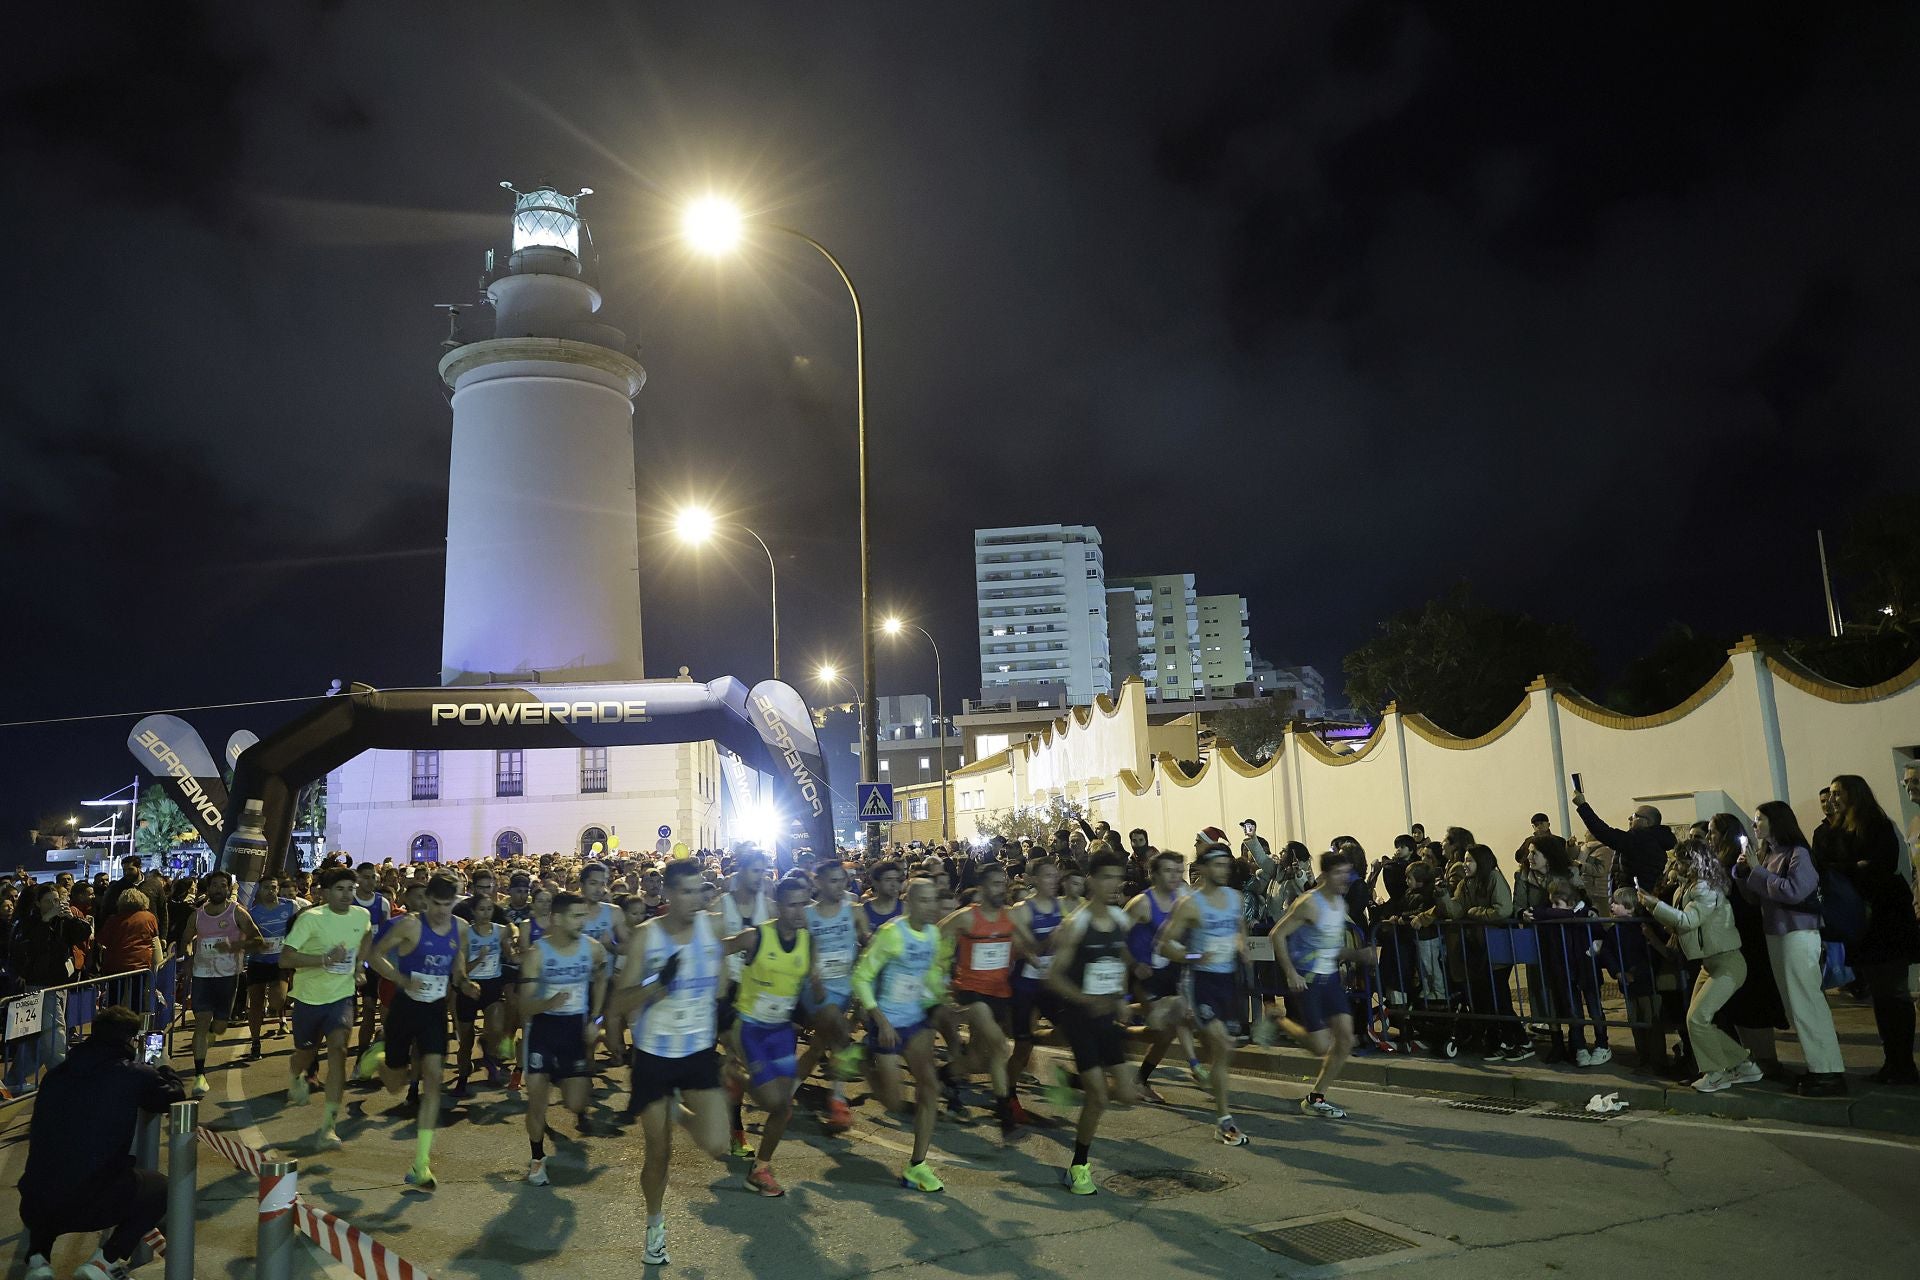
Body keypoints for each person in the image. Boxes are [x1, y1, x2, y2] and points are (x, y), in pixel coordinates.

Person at [608, 862, 740, 1265]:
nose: (694, 899)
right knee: (658, 1153)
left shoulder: (712, 928)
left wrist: (732, 1046)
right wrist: (656, 985)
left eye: (699, 890)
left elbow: (718, 989)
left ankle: (677, 1112)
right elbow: (616, 1004)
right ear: (667, 895)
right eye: (684, 891)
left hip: (698, 1052)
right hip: (655, 1056)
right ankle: (654, 1226)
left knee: (719, 1143)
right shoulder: (646, 938)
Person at [18, 1005, 186, 1280]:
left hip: (33, 1204)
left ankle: (38, 1261)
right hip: (91, 1204)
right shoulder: (132, 1074)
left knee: (52, 1172)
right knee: (161, 1188)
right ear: (130, 1040)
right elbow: (173, 1096)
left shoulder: (55, 1075)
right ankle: (105, 1261)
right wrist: (164, 1065)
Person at [363, 875, 479, 1188]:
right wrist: (400, 979)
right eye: (436, 904)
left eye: (447, 904)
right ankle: (380, 1058)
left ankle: (421, 1163)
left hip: (434, 1010)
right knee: (395, 1085)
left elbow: (457, 961)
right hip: (405, 1006)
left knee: (433, 1080)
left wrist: (465, 982)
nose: (442, 911)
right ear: (426, 900)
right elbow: (373, 955)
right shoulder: (410, 925)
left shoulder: (461, 929)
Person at [1043, 849, 1138, 1194]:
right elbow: (1053, 976)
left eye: (1119, 877)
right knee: (1098, 1097)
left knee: (1127, 1094)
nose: (1116, 884)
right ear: (1092, 881)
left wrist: (1122, 1000)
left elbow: (1118, 963)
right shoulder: (1076, 923)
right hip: (1079, 1016)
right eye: (1109, 877)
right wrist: (1088, 1000)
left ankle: (1071, 1080)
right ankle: (1078, 1166)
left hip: (1108, 1016)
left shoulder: (1120, 920)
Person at [1737, 802, 1847, 1096]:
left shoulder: (1799, 853)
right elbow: (1758, 897)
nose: (1755, 824)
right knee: (1795, 1004)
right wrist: (1743, 873)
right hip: (1777, 933)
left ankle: (1828, 1071)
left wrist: (1758, 871)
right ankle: (1818, 1067)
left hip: (1799, 933)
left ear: (1777, 821)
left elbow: (1795, 891)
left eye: (1760, 819)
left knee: (1807, 1002)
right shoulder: (1770, 854)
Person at [851, 876, 951, 1193]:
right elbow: (862, 978)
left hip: (915, 1021)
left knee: (930, 1088)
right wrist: (880, 1021)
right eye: (923, 900)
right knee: (894, 1102)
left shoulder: (934, 935)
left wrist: (943, 996)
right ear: (909, 903)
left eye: (933, 900)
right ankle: (863, 1062)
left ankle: (917, 1166)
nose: (930, 906)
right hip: (887, 1023)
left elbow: (929, 975)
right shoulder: (892, 934)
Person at [726, 872, 823, 1196]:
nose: (799, 911)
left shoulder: (809, 941)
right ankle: (729, 1072)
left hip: (781, 1031)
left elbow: (812, 983)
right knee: (771, 1103)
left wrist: (820, 995)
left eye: (804, 904)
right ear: (778, 905)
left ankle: (761, 1168)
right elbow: (714, 950)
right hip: (751, 1029)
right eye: (792, 905)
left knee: (783, 1108)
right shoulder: (755, 937)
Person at [1638, 840, 1759, 1093]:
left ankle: (1716, 1074)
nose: (1676, 865)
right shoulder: (1693, 886)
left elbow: (1688, 920)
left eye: (1681, 861)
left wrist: (1653, 905)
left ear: (1693, 862)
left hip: (1726, 961)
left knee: (1697, 1019)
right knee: (1698, 1020)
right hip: (1712, 963)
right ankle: (1743, 1064)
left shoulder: (1704, 888)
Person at [1156, 830, 1251, 1146]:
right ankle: (1224, 1119)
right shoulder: (1190, 904)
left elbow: (1238, 927)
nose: (1225, 870)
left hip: (1228, 980)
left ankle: (1207, 1074)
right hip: (1201, 981)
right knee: (1222, 1044)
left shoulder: (1236, 899)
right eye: (1219, 865)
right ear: (1205, 868)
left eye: (1227, 865)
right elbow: (1164, 944)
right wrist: (1196, 954)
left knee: (1225, 1049)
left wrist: (1241, 947)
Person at [1269, 851, 1379, 1117]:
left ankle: (1316, 1097)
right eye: (1339, 874)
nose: (1345, 879)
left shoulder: (1340, 906)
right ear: (1326, 875)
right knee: (1319, 1047)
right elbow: (1277, 934)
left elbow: (1333, 947)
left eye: (1348, 874)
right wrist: (1291, 973)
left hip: (1330, 979)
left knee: (1345, 1039)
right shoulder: (1309, 903)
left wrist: (1357, 955)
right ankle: (1277, 1019)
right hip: (1307, 980)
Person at [1827, 774, 1919, 1083]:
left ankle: (1903, 1063)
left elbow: (1881, 866)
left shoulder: (1876, 824)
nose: (1833, 797)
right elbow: (1832, 866)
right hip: (1863, 922)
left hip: (1887, 920)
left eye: (1839, 792)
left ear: (1855, 794)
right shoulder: (1838, 828)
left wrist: (1852, 870)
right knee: (1880, 996)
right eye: (1831, 793)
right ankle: (1891, 1061)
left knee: (1894, 993)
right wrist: (1855, 868)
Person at [519, 893, 611, 1187]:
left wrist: (596, 1020)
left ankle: (560, 1077)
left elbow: (601, 980)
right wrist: (549, 1003)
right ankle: (536, 1159)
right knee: (536, 1102)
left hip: (574, 1031)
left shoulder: (593, 950)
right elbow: (523, 1006)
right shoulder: (538, 953)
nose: (583, 922)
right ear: (557, 919)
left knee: (576, 1102)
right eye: (576, 916)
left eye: (584, 915)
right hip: (544, 1030)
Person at [281, 867, 375, 1148]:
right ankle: (295, 1075)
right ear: (324, 893)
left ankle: (329, 1126)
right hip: (309, 998)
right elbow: (285, 959)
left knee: (338, 1049)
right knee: (304, 1053)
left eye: (351, 889)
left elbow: (367, 937)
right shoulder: (311, 919)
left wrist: (360, 965)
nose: (347, 895)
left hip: (341, 997)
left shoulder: (362, 915)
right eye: (340, 889)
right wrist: (324, 960)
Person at [937, 861, 1030, 1134]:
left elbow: (1025, 947)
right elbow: (935, 934)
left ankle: (944, 1075)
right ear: (981, 887)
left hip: (1000, 992)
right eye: (995, 884)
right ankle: (1004, 1112)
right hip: (971, 992)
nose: (1001, 889)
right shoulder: (967, 917)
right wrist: (940, 973)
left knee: (978, 1059)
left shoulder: (1011, 917)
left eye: (1003, 883)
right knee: (1000, 1048)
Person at [1706, 814, 1789, 1076]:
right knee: (1738, 1004)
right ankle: (1752, 1060)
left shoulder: (1736, 862)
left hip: (1746, 938)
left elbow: (1748, 899)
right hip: (1732, 939)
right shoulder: (1719, 862)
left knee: (1754, 1001)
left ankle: (1766, 1061)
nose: (1709, 837)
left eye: (1713, 832)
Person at [794, 858, 867, 1131]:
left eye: (842, 880)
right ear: (819, 883)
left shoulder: (855, 912)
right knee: (839, 1035)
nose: (840, 886)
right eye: (833, 881)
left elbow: (867, 947)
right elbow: (802, 950)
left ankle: (790, 1094)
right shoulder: (808, 915)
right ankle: (838, 1100)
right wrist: (813, 975)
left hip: (845, 988)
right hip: (816, 989)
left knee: (818, 1048)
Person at [5, 884, 96, 1095]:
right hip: (39, 987)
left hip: (57, 984)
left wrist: (70, 917)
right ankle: (68, 1084)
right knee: (54, 1036)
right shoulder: (28, 923)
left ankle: (13, 1080)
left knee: (33, 1041)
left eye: (57, 900)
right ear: (37, 903)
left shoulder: (61, 921)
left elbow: (83, 933)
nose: (55, 905)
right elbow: (27, 951)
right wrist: (46, 921)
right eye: (49, 901)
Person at [1126, 851, 1202, 1100]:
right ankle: (1194, 1066)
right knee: (1172, 1019)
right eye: (1168, 871)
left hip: (1170, 971)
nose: (1175, 876)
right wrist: (1134, 963)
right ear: (1154, 874)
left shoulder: (1183, 899)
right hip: (1142, 973)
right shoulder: (1142, 903)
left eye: (1178, 871)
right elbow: (1114, 936)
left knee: (1166, 1033)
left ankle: (1140, 1079)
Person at [180, 870, 264, 1095]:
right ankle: (200, 1075)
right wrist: (188, 957)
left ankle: (212, 1033)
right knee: (201, 1021)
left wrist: (234, 947)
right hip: (202, 976)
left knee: (219, 1025)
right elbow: (186, 940)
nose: (218, 889)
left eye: (222, 885)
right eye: (214, 885)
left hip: (228, 976)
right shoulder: (196, 915)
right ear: (208, 889)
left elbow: (258, 941)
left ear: (229, 889)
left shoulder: (237, 913)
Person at [452, 886, 514, 1096]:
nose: (486, 913)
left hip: (492, 985)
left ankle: (488, 1054)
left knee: (496, 1029)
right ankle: (462, 1078)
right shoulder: (466, 934)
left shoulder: (500, 930)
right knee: (465, 1040)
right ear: (473, 912)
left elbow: (511, 950)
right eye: (481, 909)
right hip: (469, 987)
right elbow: (461, 970)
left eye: (489, 909)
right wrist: (479, 958)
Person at [1572, 790, 1676, 892]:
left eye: (1635, 816)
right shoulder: (1653, 840)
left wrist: (1582, 806)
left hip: (1633, 899)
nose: (1630, 818)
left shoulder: (1641, 840)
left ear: (1647, 822)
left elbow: (1605, 833)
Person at [247, 875, 298, 1059]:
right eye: (266, 887)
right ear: (260, 890)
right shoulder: (253, 912)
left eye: (274, 887)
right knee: (256, 1005)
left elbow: (299, 928)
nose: (271, 891)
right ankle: (255, 1042)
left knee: (277, 1001)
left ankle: (276, 1008)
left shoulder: (290, 906)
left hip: (280, 962)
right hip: (258, 962)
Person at [97, 887, 160, 1011]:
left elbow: (102, 940)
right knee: (137, 998)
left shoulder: (113, 919)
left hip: (115, 964)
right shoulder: (149, 917)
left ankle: (114, 1023)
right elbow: (154, 936)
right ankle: (134, 1024)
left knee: (114, 999)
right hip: (140, 964)